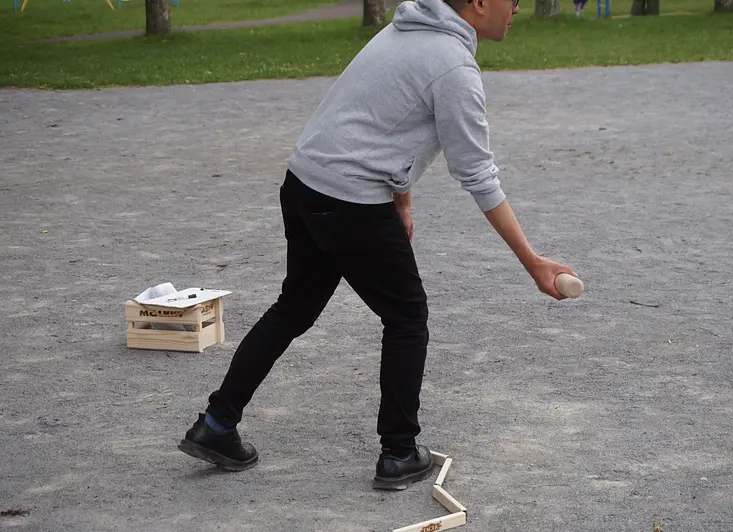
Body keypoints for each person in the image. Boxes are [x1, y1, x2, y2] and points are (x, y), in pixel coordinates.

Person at [178, 0, 577, 491]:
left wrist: (402, 202)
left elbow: (386, 124)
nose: (518, 6)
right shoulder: (453, 67)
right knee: (407, 317)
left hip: (305, 184)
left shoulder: (405, 31)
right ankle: (399, 452)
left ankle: (216, 424)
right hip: (349, 200)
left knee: (294, 308)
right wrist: (533, 262)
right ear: (478, 3)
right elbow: (477, 174)